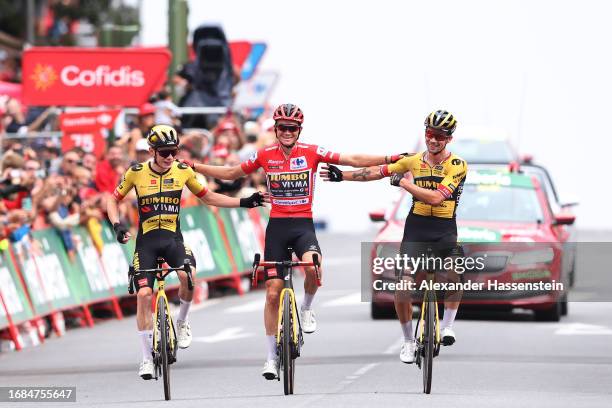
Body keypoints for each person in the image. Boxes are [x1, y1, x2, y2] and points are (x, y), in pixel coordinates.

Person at [182, 103, 407, 380]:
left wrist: (392, 157)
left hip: (303, 226)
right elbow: (231, 173)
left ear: (299, 130)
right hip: (277, 227)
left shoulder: (311, 152)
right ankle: (269, 357)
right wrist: (194, 166)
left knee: (313, 267)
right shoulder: (264, 155)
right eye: (282, 128)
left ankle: (307, 308)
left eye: (292, 128)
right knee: (273, 292)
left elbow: (352, 160)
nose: (287, 132)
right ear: (275, 130)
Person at [107, 124, 266, 380]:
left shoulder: (182, 171)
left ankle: (181, 321)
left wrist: (244, 202)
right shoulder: (135, 172)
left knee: (187, 276)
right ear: (151, 151)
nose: (170, 157)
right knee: (145, 294)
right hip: (146, 241)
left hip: (172, 239)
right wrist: (116, 225)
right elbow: (111, 200)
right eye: (164, 152)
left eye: (174, 151)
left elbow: (209, 197)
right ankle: (146, 358)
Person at [321, 110, 467, 364]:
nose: (433, 140)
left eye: (440, 136)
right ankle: (409, 341)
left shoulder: (457, 165)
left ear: (449, 139)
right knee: (403, 285)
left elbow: (435, 197)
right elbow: (378, 171)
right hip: (417, 227)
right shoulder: (412, 161)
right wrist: (341, 176)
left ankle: (447, 328)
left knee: (454, 274)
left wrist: (404, 184)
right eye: (430, 134)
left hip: (444, 229)